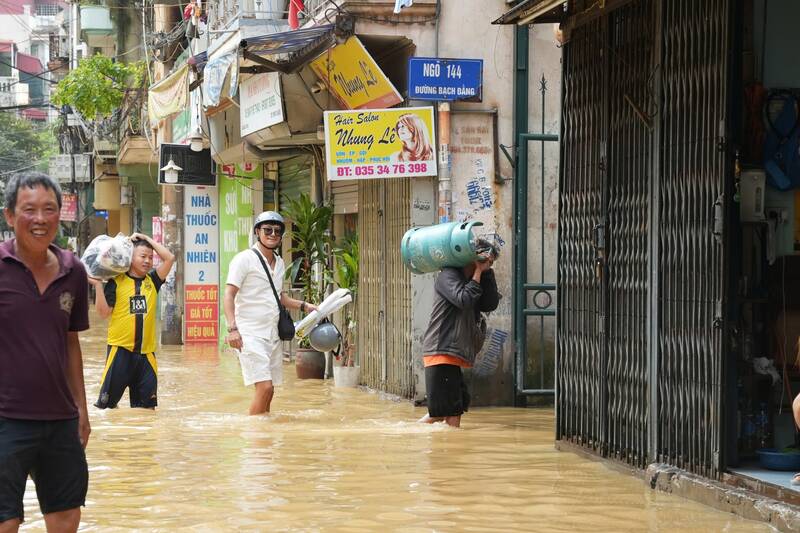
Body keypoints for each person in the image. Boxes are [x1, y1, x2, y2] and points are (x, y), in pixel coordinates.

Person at [0, 172, 91, 532]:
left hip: (60, 422)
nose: (40, 219)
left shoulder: (74, 271)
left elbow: (71, 343)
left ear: (60, 214)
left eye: (49, 209)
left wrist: (81, 410)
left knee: (66, 518)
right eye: (29, 210)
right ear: (10, 216)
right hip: (5, 419)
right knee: (5, 522)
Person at [224, 211, 318, 415]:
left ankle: (264, 439)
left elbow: (279, 296)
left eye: (277, 231)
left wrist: (304, 305)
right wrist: (232, 329)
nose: (273, 234)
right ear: (258, 232)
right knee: (264, 387)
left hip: (272, 335)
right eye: (267, 229)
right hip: (249, 334)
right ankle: (253, 435)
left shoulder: (280, 262)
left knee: (270, 390)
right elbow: (229, 294)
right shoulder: (244, 259)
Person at [419, 239, 500, 428]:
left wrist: (486, 273)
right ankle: (405, 435)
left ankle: (411, 433)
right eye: (485, 261)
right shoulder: (448, 276)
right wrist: (478, 271)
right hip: (441, 351)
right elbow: (464, 299)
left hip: (452, 354)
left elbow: (489, 304)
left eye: (491, 263)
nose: (487, 266)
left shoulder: (474, 281)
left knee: (452, 410)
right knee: (446, 413)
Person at [90, 233, 175, 410]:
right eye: (142, 256)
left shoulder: (153, 281)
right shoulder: (116, 282)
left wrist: (146, 238)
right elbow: (104, 313)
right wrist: (98, 286)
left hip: (146, 356)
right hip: (120, 352)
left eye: (150, 258)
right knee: (107, 409)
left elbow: (169, 258)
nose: (147, 261)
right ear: (130, 258)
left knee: (147, 412)